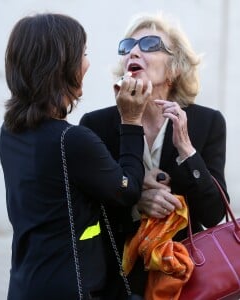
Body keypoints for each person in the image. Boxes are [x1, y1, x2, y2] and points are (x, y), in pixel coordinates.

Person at [0, 13, 151, 300]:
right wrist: (132, 121)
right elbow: (128, 190)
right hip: (71, 288)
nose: (88, 63)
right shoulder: (71, 140)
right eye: (83, 53)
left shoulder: (9, 132)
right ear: (62, 65)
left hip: (25, 282)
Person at [80, 13, 229, 298]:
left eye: (149, 44)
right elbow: (86, 214)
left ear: (174, 69)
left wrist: (187, 149)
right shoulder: (95, 125)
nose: (133, 51)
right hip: (117, 280)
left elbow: (214, 214)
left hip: (186, 277)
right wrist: (135, 202)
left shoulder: (206, 123)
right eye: (127, 47)